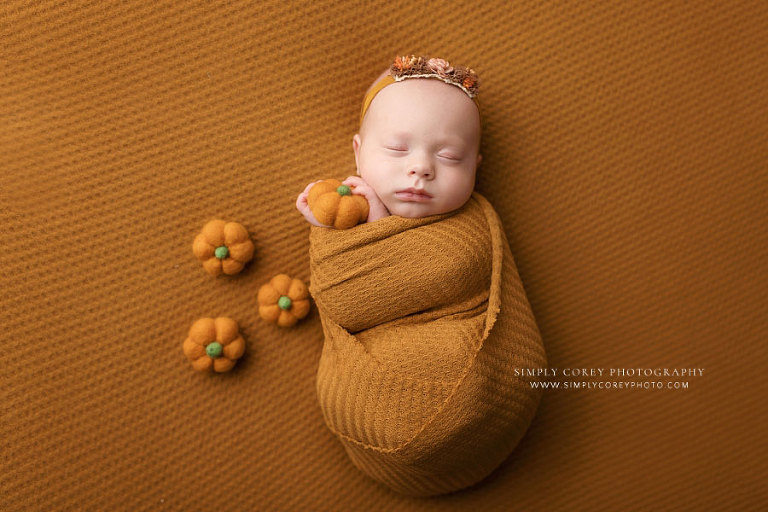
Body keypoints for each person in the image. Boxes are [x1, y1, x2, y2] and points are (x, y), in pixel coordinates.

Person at [296, 55, 482, 226]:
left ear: (475, 166)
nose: (421, 167)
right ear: (358, 153)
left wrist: (378, 223)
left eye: (449, 156)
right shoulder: (349, 206)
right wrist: (327, 222)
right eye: (397, 148)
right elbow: (340, 259)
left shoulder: (476, 226)